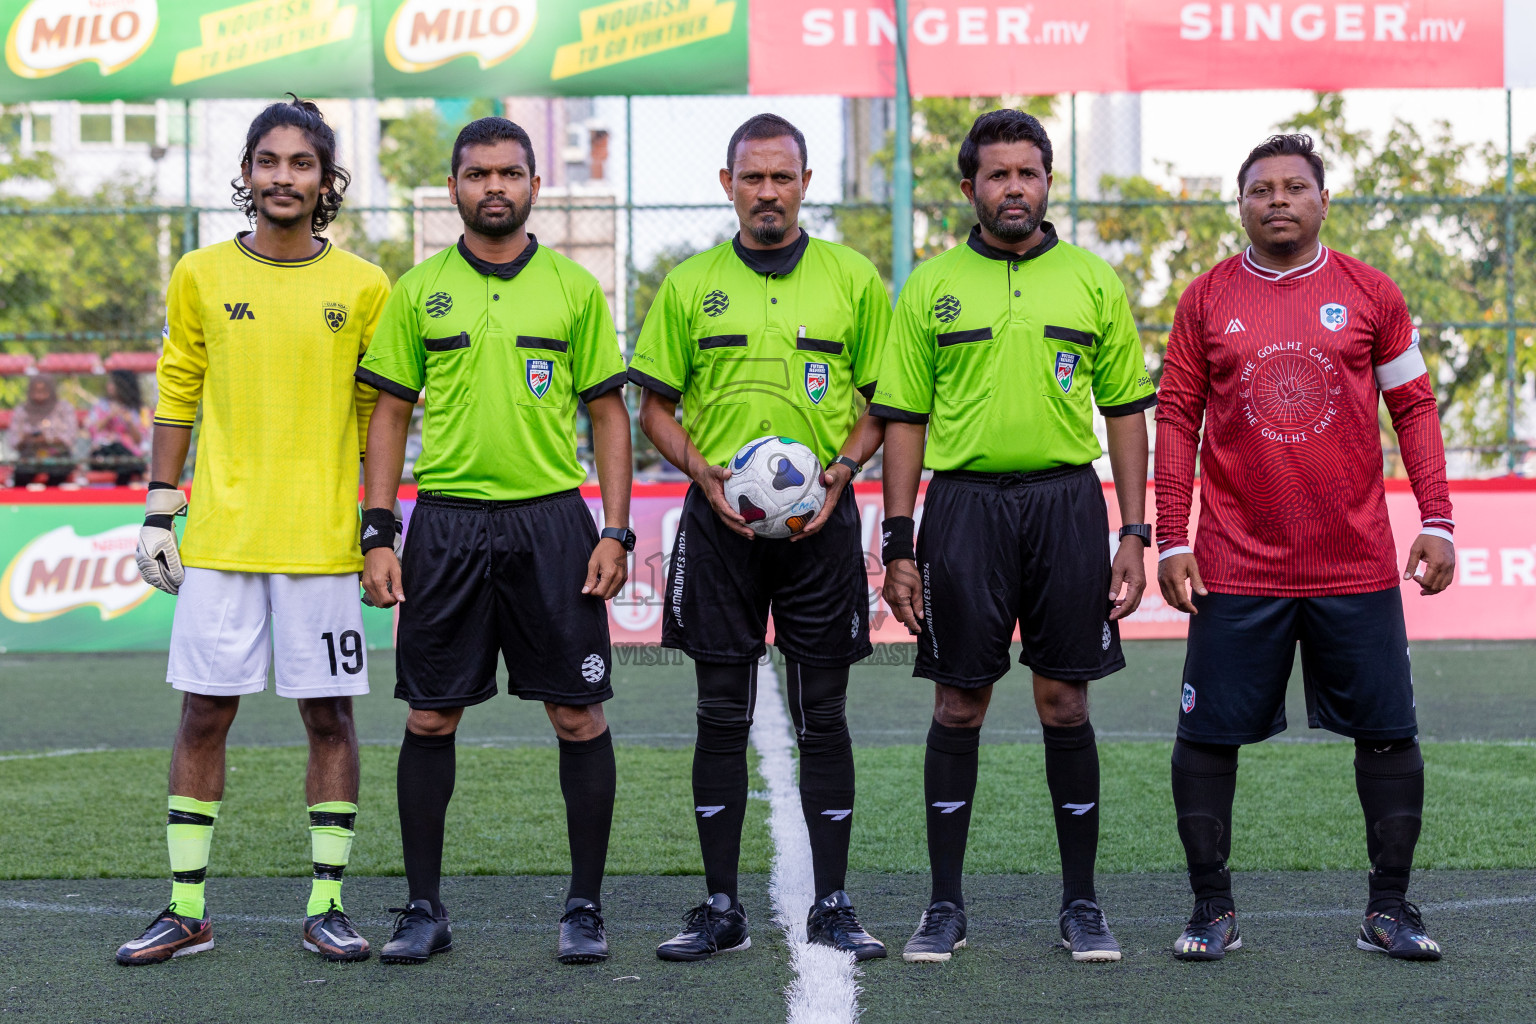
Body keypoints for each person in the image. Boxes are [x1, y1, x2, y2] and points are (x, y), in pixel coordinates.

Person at [1155, 133, 1455, 962]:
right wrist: (1172, 536)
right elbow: (1176, 419)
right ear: (1241, 204)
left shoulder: (1371, 293)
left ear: (1324, 200)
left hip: (1354, 561)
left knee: (1389, 733)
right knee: (1207, 737)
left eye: (1294, 187)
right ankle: (1212, 910)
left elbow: (1416, 407)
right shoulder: (1205, 300)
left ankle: (1389, 910)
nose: (1277, 200)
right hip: (1236, 563)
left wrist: (1439, 518)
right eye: (1260, 189)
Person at [873, 109, 1156, 964]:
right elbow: (904, 419)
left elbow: (1126, 413)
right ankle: (944, 907)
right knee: (959, 701)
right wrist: (899, 542)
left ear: (1047, 181)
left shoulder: (1093, 282)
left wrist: (1135, 533)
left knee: (1064, 701)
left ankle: (1081, 906)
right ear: (969, 189)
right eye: (997, 175)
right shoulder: (929, 287)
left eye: (1028, 173)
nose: (1014, 189)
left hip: (1068, 506)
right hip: (963, 510)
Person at [115, 96, 390, 966]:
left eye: (300, 163)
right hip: (224, 541)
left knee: (330, 719)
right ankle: (187, 909)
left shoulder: (364, 285)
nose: (283, 177)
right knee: (203, 715)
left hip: (321, 543)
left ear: (325, 180)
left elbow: (379, 416)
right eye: (267, 161)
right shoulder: (198, 273)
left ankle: (327, 906)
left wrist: (377, 526)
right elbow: (177, 389)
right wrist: (162, 507)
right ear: (245, 173)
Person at [356, 117, 632, 967]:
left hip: (552, 520)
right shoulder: (418, 290)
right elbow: (391, 414)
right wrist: (378, 531)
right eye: (477, 174)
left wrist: (616, 530)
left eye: (511, 173)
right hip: (444, 523)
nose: (494, 187)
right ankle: (423, 910)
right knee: (431, 715)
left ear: (535, 186)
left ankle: (584, 908)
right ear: (454, 189)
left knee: (577, 715)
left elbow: (608, 413)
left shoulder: (575, 289)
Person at [629, 113, 892, 963]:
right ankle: (718, 907)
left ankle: (835, 904)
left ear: (806, 183)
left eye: (783, 177)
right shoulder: (687, 284)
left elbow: (883, 403)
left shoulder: (853, 278)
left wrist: (843, 473)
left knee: (826, 716)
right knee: (717, 713)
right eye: (753, 178)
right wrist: (705, 474)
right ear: (728, 184)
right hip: (718, 527)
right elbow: (655, 405)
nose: (768, 192)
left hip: (821, 525)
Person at [9, 374, 77, 486]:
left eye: (43, 390)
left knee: (58, 473)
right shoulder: (21, 410)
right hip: (30, 455)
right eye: (35, 389)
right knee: (21, 474)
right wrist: (26, 439)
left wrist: (49, 440)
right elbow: (13, 441)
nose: (39, 393)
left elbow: (70, 438)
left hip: (57, 455)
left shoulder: (64, 408)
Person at [85, 370, 149, 485]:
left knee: (124, 459)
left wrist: (129, 422)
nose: (109, 386)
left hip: (127, 453)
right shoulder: (101, 405)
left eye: (112, 383)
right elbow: (92, 430)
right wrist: (109, 416)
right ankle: (141, 470)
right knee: (116, 446)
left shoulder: (136, 409)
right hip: (103, 452)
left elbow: (139, 440)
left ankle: (137, 471)